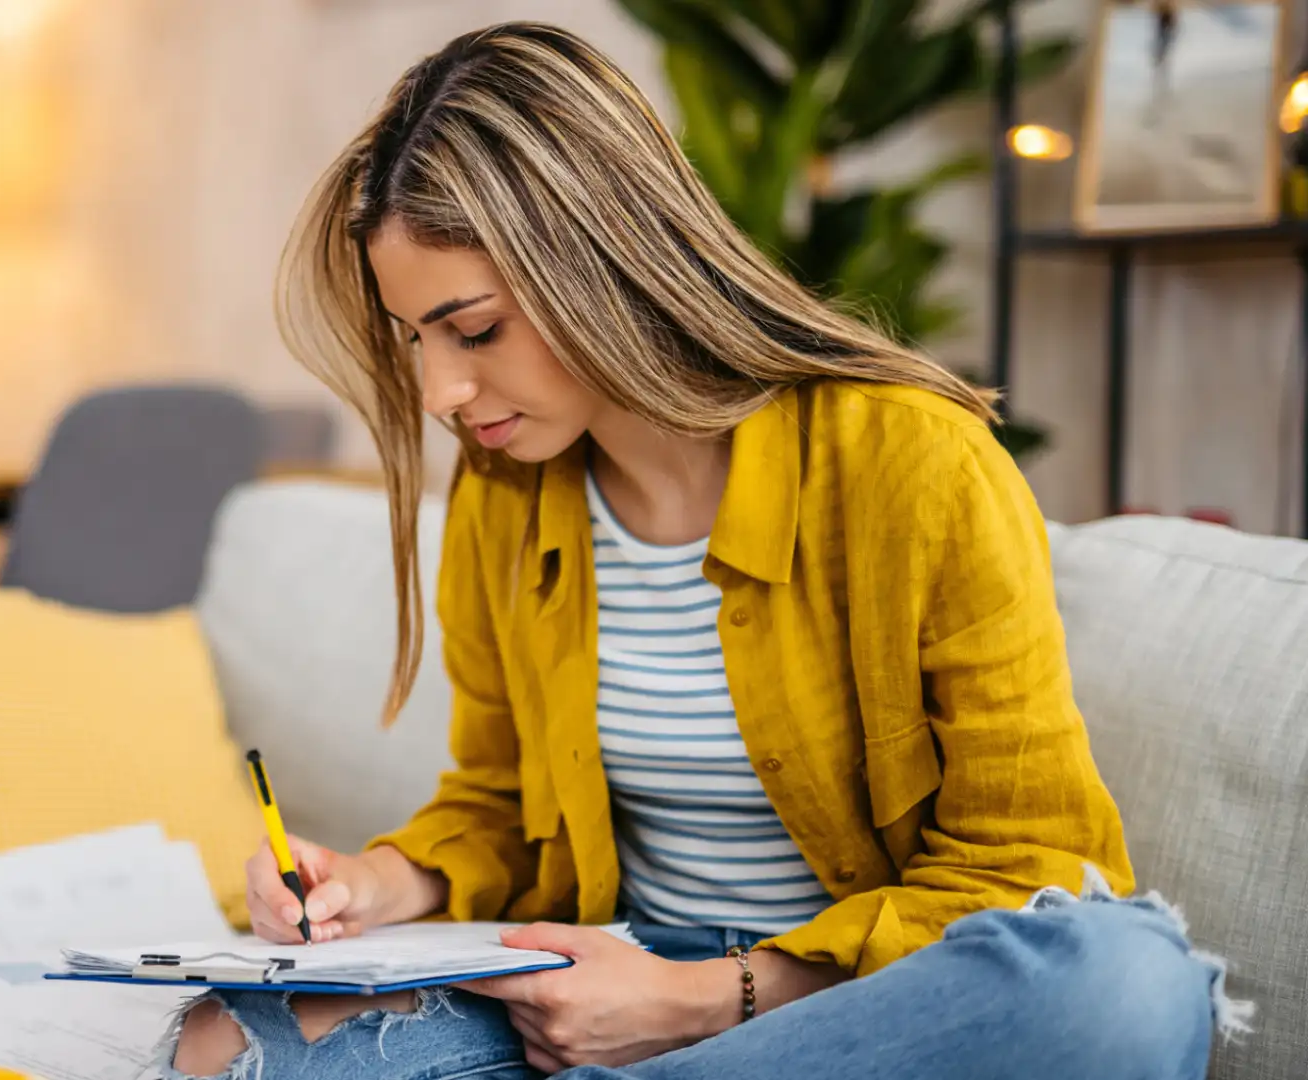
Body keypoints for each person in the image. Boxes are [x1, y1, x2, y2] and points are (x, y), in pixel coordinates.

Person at [163, 22, 1241, 1080]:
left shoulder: (915, 464)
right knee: (221, 1044)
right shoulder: (505, 488)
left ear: (603, 257)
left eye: (476, 330)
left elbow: (1032, 869)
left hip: (854, 1015)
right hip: (590, 995)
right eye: (416, 341)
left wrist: (693, 1004)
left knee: (1126, 983)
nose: (441, 393)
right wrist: (380, 881)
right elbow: (499, 803)